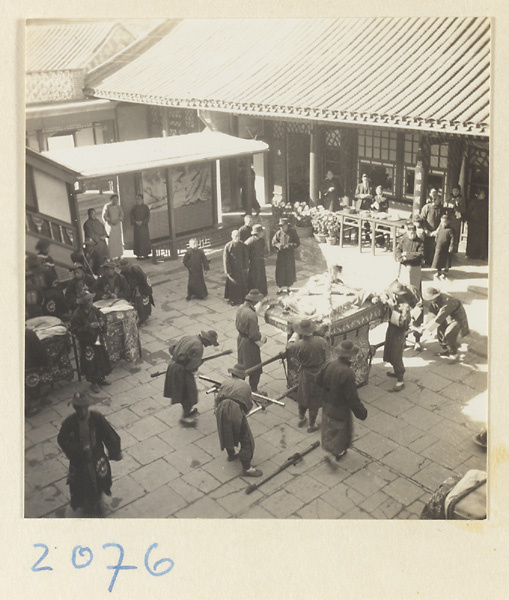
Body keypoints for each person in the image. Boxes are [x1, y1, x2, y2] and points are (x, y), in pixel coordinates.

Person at [57, 391, 122, 517]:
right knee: (80, 486)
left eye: (83, 408)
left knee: (99, 483)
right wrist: (76, 450)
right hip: (79, 462)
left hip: (96, 459)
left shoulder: (97, 418)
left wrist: (115, 452)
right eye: (78, 409)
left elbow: (109, 434)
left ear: (87, 407)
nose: (81, 412)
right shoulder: (70, 422)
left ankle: (98, 503)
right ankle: (86, 505)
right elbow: (62, 439)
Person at [317, 340, 368, 464]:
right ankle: (336, 452)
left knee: (329, 424)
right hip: (340, 405)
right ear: (350, 356)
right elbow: (352, 397)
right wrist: (361, 411)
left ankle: (328, 446)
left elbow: (318, 379)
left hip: (327, 401)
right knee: (341, 429)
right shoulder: (347, 372)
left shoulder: (329, 364)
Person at [214, 363, 263, 478]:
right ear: (243, 376)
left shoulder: (225, 382)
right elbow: (248, 405)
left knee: (225, 430)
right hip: (235, 409)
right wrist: (242, 415)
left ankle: (231, 454)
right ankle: (247, 468)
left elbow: (217, 398)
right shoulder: (246, 386)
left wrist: (217, 410)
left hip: (221, 408)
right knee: (246, 439)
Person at [163, 330, 219, 427]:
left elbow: (172, 348)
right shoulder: (199, 347)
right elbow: (191, 367)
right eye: (209, 343)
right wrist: (198, 363)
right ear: (206, 340)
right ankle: (185, 417)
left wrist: (178, 358)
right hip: (182, 372)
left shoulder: (189, 337)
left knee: (184, 393)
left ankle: (187, 412)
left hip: (173, 365)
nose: (209, 345)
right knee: (189, 393)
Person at [285, 319, 330, 433]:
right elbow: (327, 355)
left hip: (305, 373)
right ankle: (312, 424)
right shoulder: (321, 341)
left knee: (303, 396)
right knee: (315, 399)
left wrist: (294, 335)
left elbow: (288, 347)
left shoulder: (298, 345)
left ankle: (301, 418)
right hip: (318, 373)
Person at [70, 290, 112, 394]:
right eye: (89, 301)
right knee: (91, 362)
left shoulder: (93, 309)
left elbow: (101, 315)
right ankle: (94, 382)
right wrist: (88, 326)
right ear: (84, 303)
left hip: (97, 338)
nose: (91, 302)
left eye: (91, 300)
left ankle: (101, 378)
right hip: (87, 343)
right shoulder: (77, 315)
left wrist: (101, 321)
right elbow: (75, 330)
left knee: (100, 358)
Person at [382, 281, 416, 391]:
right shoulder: (396, 300)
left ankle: (400, 381)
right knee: (390, 352)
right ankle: (396, 372)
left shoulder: (405, 306)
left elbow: (403, 323)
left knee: (396, 355)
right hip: (392, 330)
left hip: (398, 333)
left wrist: (392, 309)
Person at [421, 287, 470, 361]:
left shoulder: (447, 302)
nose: (430, 301)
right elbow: (432, 312)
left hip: (456, 318)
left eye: (431, 299)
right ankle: (446, 350)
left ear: (436, 296)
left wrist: (428, 330)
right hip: (445, 317)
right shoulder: (434, 301)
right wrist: (426, 323)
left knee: (449, 335)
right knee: (440, 333)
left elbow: (439, 318)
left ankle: (454, 354)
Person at [235, 289, 266, 392]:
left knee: (242, 364)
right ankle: (253, 389)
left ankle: (237, 386)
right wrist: (262, 339)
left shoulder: (240, 308)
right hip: (249, 343)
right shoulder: (251, 315)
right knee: (255, 367)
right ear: (254, 301)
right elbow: (254, 335)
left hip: (240, 339)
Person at [118, 259, 154, 325]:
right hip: (132, 288)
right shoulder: (123, 273)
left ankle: (142, 319)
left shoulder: (136, 270)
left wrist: (140, 290)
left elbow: (144, 281)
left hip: (142, 288)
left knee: (140, 302)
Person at [272, 218, 300, 294]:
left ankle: (288, 287)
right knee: (280, 272)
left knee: (289, 271)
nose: (281, 228)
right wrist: (279, 246)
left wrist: (289, 246)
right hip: (281, 256)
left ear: (287, 226)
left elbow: (297, 243)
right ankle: (280, 288)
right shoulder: (278, 233)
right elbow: (274, 242)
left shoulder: (293, 233)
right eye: (280, 226)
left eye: (283, 226)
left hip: (289, 256)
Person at [25, 327, 48, 416]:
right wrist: (43, 363)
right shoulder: (28, 333)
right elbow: (38, 350)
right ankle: (30, 407)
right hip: (30, 366)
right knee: (31, 385)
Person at [223, 229, 249, 306]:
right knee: (233, 285)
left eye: (238, 236)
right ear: (232, 236)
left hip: (241, 268)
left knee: (242, 283)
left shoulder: (242, 245)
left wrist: (246, 267)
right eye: (235, 236)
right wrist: (228, 271)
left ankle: (241, 299)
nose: (236, 237)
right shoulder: (228, 246)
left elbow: (245, 256)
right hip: (232, 269)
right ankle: (233, 299)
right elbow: (226, 259)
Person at [419, 189, 444, 266]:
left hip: (437, 231)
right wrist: (426, 230)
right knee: (426, 246)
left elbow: (442, 221)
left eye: (439, 199)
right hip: (427, 231)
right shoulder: (426, 207)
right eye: (437, 199)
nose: (438, 201)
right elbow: (422, 220)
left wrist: (437, 231)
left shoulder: (441, 209)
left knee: (435, 248)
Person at [245, 224, 268, 296]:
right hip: (253, 263)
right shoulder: (250, 241)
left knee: (261, 276)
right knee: (254, 277)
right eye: (261, 232)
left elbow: (263, 248)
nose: (262, 233)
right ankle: (254, 293)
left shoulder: (261, 240)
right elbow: (245, 252)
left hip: (260, 261)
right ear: (257, 233)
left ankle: (262, 291)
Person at [466, 190, 489, 260]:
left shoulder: (486, 203)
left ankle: (482, 255)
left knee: (482, 240)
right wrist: (468, 221)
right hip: (473, 225)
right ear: (478, 195)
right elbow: (468, 212)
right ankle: (470, 254)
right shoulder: (473, 202)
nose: (483, 195)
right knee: (472, 240)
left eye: (484, 194)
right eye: (482, 194)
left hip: (482, 225)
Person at [431, 214, 455, 280]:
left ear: (448, 222)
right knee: (438, 259)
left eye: (444, 222)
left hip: (446, 248)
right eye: (441, 222)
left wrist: (451, 247)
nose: (443, 223)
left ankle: (445, 272)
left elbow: (453, 240)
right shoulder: (440, 228)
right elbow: (437, 235)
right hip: (439, 246)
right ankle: (438, 271)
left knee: (445, 260)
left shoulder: (450, 230)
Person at [443, 185, 465, 254]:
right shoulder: (449, 197)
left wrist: (455, 206)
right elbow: (444, 205)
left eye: (456, 191)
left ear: (459, 191)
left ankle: (454, 249)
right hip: (449, 217)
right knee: (448, 233)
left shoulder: (461, 199)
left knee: (455, 234)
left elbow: (463, 209)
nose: (455, 192)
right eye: (454, 190)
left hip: (456, 219)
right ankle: (446, 248)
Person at [102, 194, 124, 260]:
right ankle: (111, 256)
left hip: (117, 226)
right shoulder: (107, 206)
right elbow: (104, 216)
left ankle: (119, 255)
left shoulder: (119, 207)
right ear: (111, 200)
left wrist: (118, 220)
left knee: (118, 240)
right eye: (114, 200)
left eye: (116, 200)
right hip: (110, 226)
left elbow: (121, 214)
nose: (115, 201)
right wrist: (110, 221)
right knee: (111, 241)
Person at [130, 193, 152, 259]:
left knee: (145, 240)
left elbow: (147, 216)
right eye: (136, 199)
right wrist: (135, 222)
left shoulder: (145, 207)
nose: (138, 201)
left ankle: (146, 254)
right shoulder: (133, 208)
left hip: (144, 226)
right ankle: (138, 255)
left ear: (142, 200)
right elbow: (131, 216)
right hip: (137, 227)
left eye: (139, 199)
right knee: (138, 240)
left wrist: (142, 222)